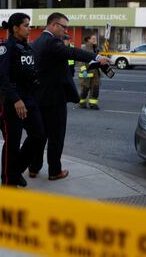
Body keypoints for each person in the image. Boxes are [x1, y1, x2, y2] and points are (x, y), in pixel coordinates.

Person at [29, 12, 110, 181]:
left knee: (40, 136)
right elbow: (72, 52)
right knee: (56, 136)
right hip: (54, 98)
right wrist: (96, 56)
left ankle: (33, 168)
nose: (66, 31)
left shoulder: (36, 42)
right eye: (64, 27)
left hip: (39, 97)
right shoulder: (51, 41)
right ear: (53, 25)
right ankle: (54, 171)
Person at [0, 13, 45, 187]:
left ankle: (15, 172)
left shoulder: (27, 48)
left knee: (39, 136)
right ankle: (8, 183)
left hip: (29, 99)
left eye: (29, 25)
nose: (29, 29)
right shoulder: (5, 49)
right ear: (15, 28)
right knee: (12, 144)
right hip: (11, 101)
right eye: (26, 25)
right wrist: (16, 100)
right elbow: (2, 79)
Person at [79, 35, 101, 110]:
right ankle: (82, 103)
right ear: (88, 39)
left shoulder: (96, 48)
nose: (95, 40)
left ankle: (93, 104)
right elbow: (81, 60)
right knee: (85, 89)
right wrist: (83, 70)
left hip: (96, 73)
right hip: (87, 73)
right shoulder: (84, 48)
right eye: (93, 38)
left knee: (95, 89)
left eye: (95, 38)